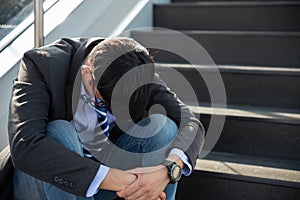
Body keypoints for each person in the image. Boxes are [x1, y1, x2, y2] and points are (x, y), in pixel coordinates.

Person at [8, 37, 205, 200]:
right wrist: (117, 179)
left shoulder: (136, 70)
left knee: (164, 127)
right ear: (88, 73)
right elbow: (25, 145)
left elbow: (191, 123)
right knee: (60, 131)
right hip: (47, 183)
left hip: (109, 179)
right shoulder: (42, 64)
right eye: (103, 102)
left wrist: (167, 171)